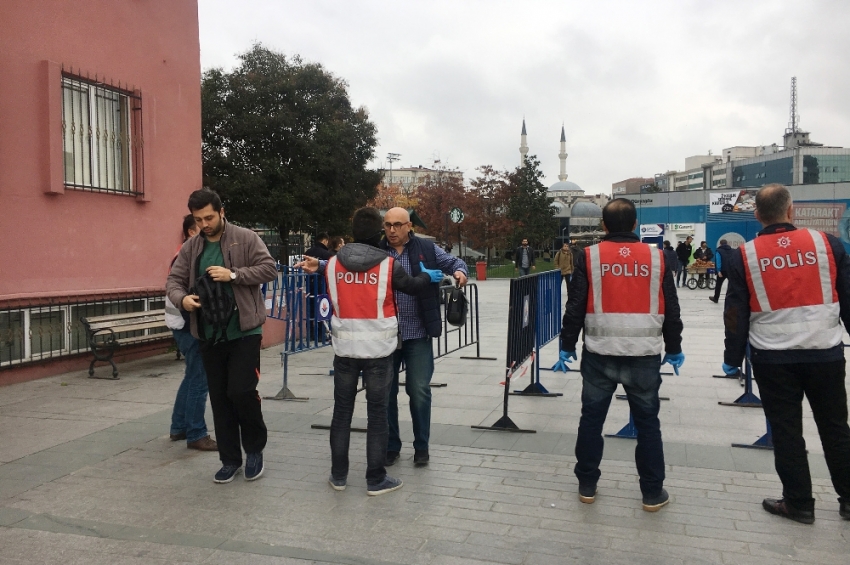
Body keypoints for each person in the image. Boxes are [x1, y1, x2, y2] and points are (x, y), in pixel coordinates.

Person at [721, 184, 850, 524]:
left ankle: (799, 504)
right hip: (825, 354)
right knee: (836, 427)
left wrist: (732, 358)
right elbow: (848, 296)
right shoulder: (827, 245)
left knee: (787, 430)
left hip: (773, 358)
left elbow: (736, 311)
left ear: (757, 215)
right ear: (791, 211)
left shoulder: (744, 255)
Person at [295, 208, 444, 495]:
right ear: (379, 234)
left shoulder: (333, 264)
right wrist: (428, 277)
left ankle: (338, 476)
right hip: (378, 352)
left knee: (342, 413)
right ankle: (375, 478)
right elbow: (412, 287)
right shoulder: (388, 266)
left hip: (345, 351)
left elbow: (326, 269)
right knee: (377, 413)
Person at [555, 198, 684, 512]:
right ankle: (652, 492)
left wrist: (567, 345)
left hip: (600, 355)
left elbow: (575, 305)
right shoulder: (658, 258)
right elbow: (672, 307)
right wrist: (675, 347)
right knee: (648, 425)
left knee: (591, 422)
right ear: (636, 225)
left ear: (603, 225)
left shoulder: (589, 257)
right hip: (644, 355)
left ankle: (587, 485)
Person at [166, 189, 278, 484]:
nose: (204, 223)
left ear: (221, 212)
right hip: (208, 334)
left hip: (244, 331)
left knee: (241, 392)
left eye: (209, 217)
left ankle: (254, 450)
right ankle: (230, 459)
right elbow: (174, 281)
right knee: (219, 398)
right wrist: (183, 300)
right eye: (198, 219)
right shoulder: (191, 247)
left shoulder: (245, 237)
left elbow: (269, 269)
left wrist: (234, 275)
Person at [380, 207, 468, 467]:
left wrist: (460, 271)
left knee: (418, 390)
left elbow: (453, 262)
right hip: (384, 334)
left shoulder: (426, 249)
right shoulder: (376, 251)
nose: (392, 230)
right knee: (385, 393)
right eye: (387, 225)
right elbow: (348, 262)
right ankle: (390, 446)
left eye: (397, 225)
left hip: (417, 332)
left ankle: (421, 447)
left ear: (409, 226)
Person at [165, 215, 218, 451]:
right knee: (200, 378)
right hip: (188, 325)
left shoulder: (183, 253)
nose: (207, 231)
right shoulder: (187, 255)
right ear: (190, 231)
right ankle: (196, 432)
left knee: (191, 376)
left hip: (181, 324)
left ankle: (179, 427)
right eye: (201, 227)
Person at [709, 239, 733, 304]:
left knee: (718, 285)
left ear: (720, 244)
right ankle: (732, 299)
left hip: (722, 271)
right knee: (732, 285)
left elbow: (718, 261)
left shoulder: (718, 251)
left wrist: (718, 270)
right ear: (727, 243)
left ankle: (716, 298)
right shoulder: (732, 250)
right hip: (730, 270)